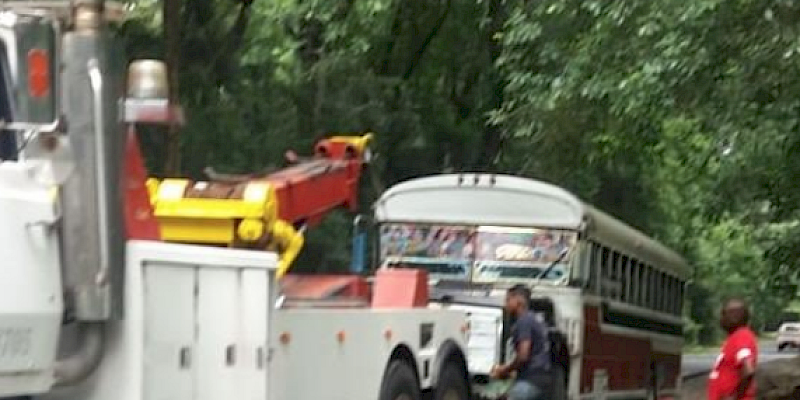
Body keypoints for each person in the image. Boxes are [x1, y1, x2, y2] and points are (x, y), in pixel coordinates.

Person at [491, 284, 551, 400]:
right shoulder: (535, 319)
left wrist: (505, 370)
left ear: (519, 301)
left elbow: (523, 356)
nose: (506, 304)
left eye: (508, 300)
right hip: (542, 378)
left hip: (531, 379)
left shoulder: (524, 321)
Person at [708, 298, 759, 400]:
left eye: (724, 315)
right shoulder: (735, 337)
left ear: (734, 316)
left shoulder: (742, 337)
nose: (721, 319)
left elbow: (748, 370)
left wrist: (734, 396)